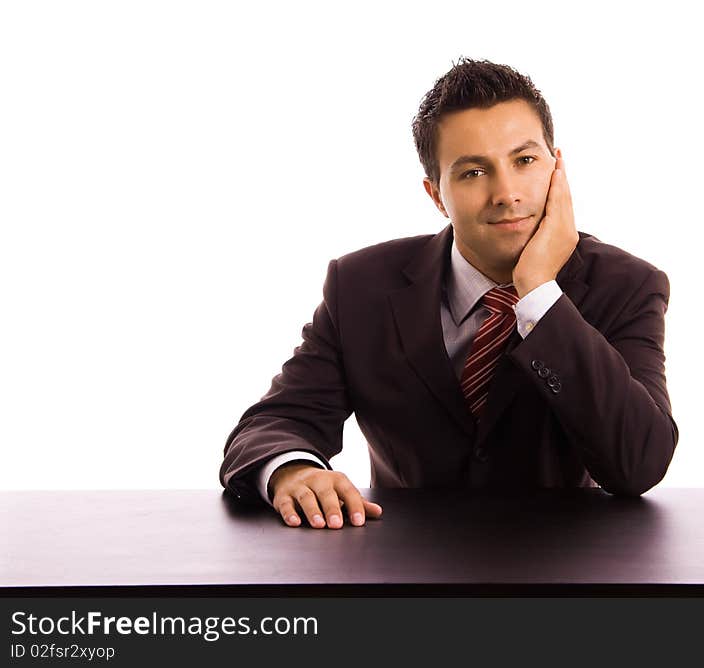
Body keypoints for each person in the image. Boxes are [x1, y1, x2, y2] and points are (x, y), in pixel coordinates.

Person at [219, 57, 679, 529]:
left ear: (556, 168)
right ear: (436, 194)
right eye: (473, 173)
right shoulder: (361, 286)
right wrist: (292, 470)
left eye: (524, 161)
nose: (507, 193)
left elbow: (639, 462)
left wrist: (540, 294)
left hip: (566, 574)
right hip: (403, 573)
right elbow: (272, 423)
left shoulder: (626, 286)